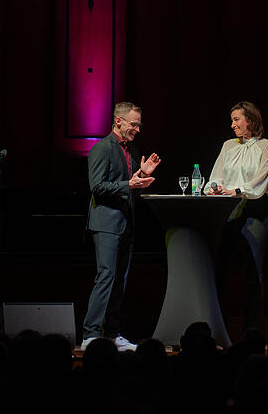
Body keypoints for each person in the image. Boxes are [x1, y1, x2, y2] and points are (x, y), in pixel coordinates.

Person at [81, 102, 161, 352]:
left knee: (119, 281)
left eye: (139, 125)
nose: (137, 129)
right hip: (106, 223)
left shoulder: (132, 150)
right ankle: (90, 335)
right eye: (133, 124)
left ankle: (112, 334)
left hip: (126, 222)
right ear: (118, 121)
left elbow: (129, 185)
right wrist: (130, 184)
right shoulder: (101, 149)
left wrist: (140, 175)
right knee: (106, 276)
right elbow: (97, 187)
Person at [207, 101, 268, 332]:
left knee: (253, 274)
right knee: (220, 269)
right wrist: (216, 187)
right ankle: (217, 330)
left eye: (237, 119)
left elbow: (259, 181)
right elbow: (216, 176)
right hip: (228, 212)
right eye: (232, 120)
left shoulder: (267, 146)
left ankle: (253, 332)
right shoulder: (228, 145)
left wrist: (236, 190)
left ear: (250, 120)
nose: (232, 124)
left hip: (254, 212)